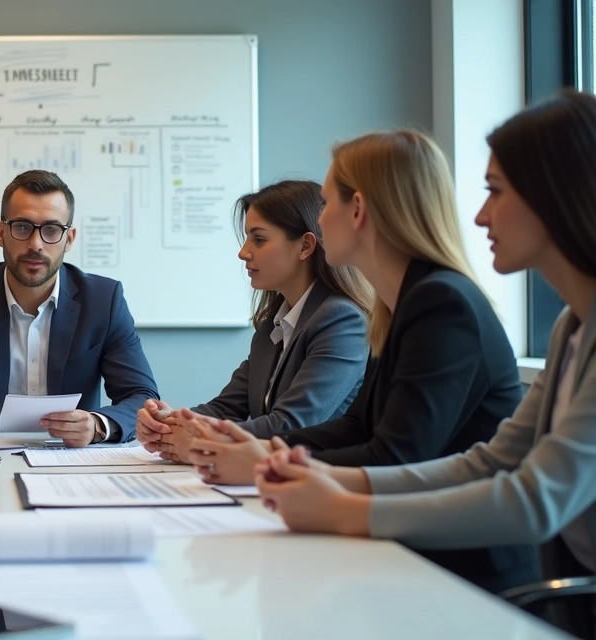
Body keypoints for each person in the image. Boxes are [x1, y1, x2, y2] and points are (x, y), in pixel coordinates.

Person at [256, 90, 596, 637]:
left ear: (553, 195)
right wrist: (322, 475)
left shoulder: (443, 302)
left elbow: (533, 499)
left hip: (499, 585)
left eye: (495, 192)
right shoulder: (569, 327)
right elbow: (493, 460)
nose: (481, 213)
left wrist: (346, 506)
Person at [154, 130, 537, 593]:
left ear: (357, 210)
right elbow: (359, 425)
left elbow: (397, 455)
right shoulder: (402, 303)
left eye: (328, 203)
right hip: (404, 545)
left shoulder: (441, 304)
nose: (321, 217)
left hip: (460, 570)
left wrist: (266, 461)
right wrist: (263, 453)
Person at [0, 170, 159, 446]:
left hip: (75, 461)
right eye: (22, 227)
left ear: (69, 239)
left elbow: (142, 398)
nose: (36, 245)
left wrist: (97, 425)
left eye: (52, 230)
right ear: (0, 233)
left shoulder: (104, 301)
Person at [134, 180, 370, 446]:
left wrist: (200, 439)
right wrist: (169, 422)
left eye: (259, 239)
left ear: (305, 246)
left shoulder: (341, 321)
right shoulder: (272, 325)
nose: (243, 252)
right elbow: (225, 408)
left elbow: (291, 425)